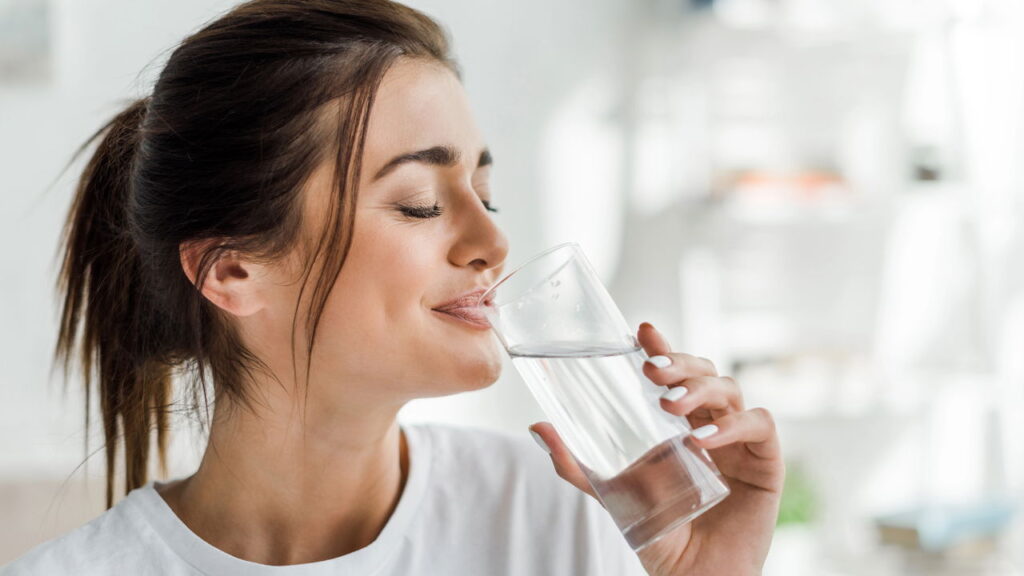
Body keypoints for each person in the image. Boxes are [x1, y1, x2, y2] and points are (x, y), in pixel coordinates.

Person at [2, 1, 784, 574]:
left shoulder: (563, 520)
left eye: (487, 193)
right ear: (233, 269)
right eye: (420, 203)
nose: (493, 242)